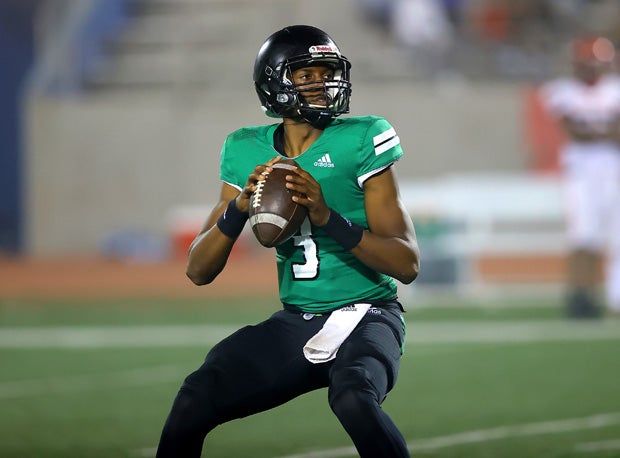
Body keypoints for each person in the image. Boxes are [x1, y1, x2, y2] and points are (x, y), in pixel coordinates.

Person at [156, 25, 420, 457]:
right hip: (298, 319)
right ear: (275, 82)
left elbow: (407, 263)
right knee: (196, 396)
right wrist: (237, 208)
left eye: (327, 71)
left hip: (369, 314)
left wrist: (326, 215)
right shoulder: (244, 150)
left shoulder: (362, 137)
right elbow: (198, 270)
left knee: (353, 396)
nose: (322, 82)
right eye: (306, 74)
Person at [540, 35, 620, 318]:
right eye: (586, 63)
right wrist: (604, 131)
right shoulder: (563, 91)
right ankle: (581, 296)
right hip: (582, 176)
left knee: (615, 236)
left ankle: (613, 297)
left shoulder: (614, 90)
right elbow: (574, 131)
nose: (591, 69)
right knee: (583, 237)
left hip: (613, 174)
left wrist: (594, 130)